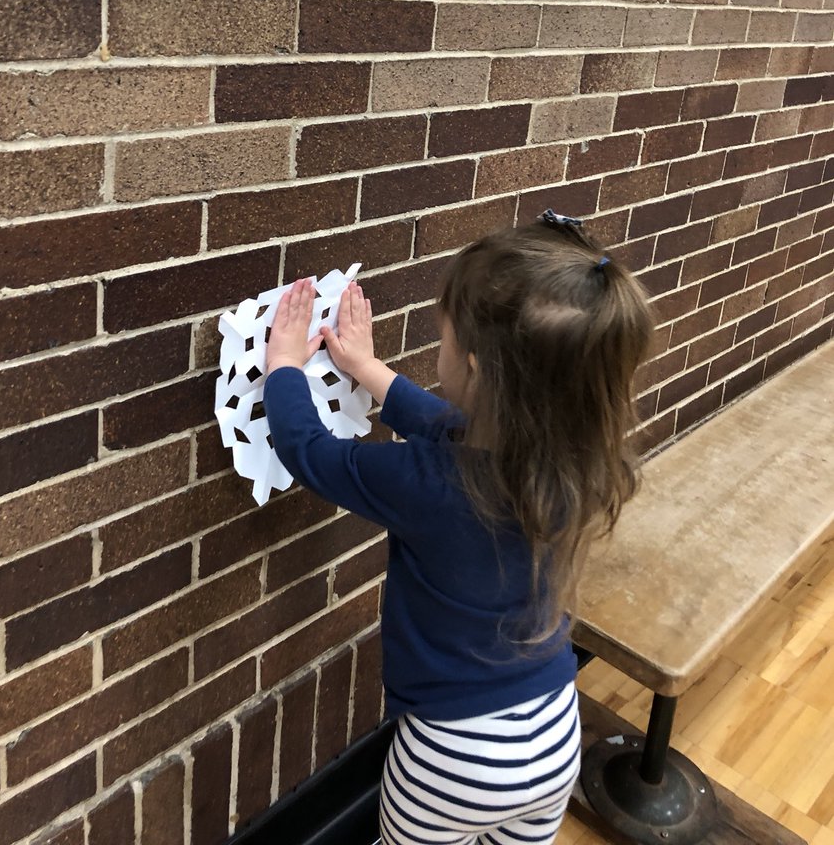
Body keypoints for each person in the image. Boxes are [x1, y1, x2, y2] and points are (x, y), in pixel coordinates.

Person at [263, 211, 654, 845]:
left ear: (473, 364)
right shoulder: (572, 464)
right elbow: (448, 422)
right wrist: (366, 368)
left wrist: (282, 366)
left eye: (443, 339)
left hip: (454, 759)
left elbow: (311, 453)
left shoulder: (428, 482)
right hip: (554, 732)